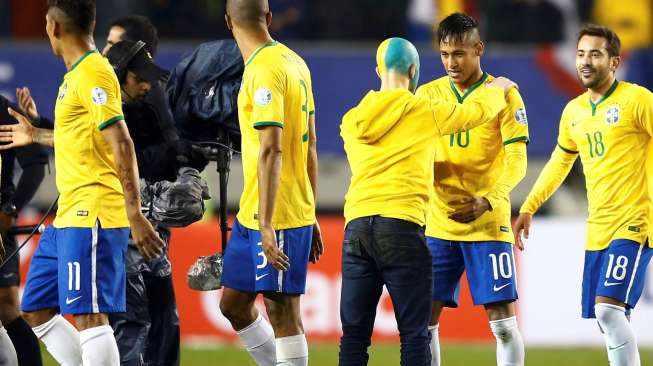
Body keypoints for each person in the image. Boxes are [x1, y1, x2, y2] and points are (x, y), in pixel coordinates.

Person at [0, 1, 164, 365]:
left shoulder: (93, 73)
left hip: (94, 214)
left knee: (90, 316)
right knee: (37, 308)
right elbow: (81, 136)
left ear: (54, 28)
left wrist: (135, 214)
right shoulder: (75, 76)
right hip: (70, 216)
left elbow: (121, 141)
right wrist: (36, 134)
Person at [339, 36, 516, 366]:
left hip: (357, 229)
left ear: (378, 70)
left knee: (354, 337)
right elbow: (475, 113)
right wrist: (499, 88)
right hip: (401, 227)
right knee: (415, 334)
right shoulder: (424, 110)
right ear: (413, 69)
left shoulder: (351, 120)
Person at [513, 24, 653, 366]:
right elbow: (559, 164)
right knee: (612, 321)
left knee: (607, 309)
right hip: (598, 229)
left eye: (595, 54)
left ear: (615, 62)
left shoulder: (638, 100)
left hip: (634, 222)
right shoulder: (573, 111)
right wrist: (529, 207)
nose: (585, 61)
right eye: (580, 54)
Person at [415, 13, 528, 366]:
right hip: (438, 224)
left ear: (479, 49)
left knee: (504, 325)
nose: (452, 63)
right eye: (445, 54)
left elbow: (517, 160)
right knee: (425, 322)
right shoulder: (427, 94)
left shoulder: (506, 96)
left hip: (488, 224)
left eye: (460, 54)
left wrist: (490, 199)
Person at [218, 0, 324, 365]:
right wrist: (311, 208)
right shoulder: (295, 62)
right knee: (233, 303)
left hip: (275, 214)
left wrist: (269, 223)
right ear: (269, 18)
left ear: (228, 21)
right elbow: (310, 145)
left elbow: (272, 151)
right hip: (254, 213)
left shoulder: (264, 70)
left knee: (283, 314)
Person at [0, 95, 48, 366]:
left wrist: (11, 209)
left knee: (6, 308)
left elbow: (36, 164)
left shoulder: (4, 110)